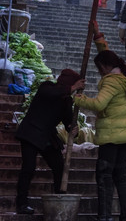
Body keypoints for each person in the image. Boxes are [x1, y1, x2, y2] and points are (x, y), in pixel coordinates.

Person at [74, 21, 126, 221]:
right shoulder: (125, 72)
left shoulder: (111, 81)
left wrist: (77, 97)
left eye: (100, 69)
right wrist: (98, 36)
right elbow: (108, 55)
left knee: (104, 176)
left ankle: (104, 216)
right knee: (121, 176)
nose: (100, 72)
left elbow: (99, 104)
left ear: (104, 67)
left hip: (111, 137)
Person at [15, 69, 84, 215]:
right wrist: (72, 88)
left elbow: (68, 120)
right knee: (28, 168)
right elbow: (51, 94)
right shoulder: (47, 87)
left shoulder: (66, 100)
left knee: (59, 166)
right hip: (31, 132)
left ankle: (59, 199)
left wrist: (73, 128)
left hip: (47, 136)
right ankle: (21, 203)